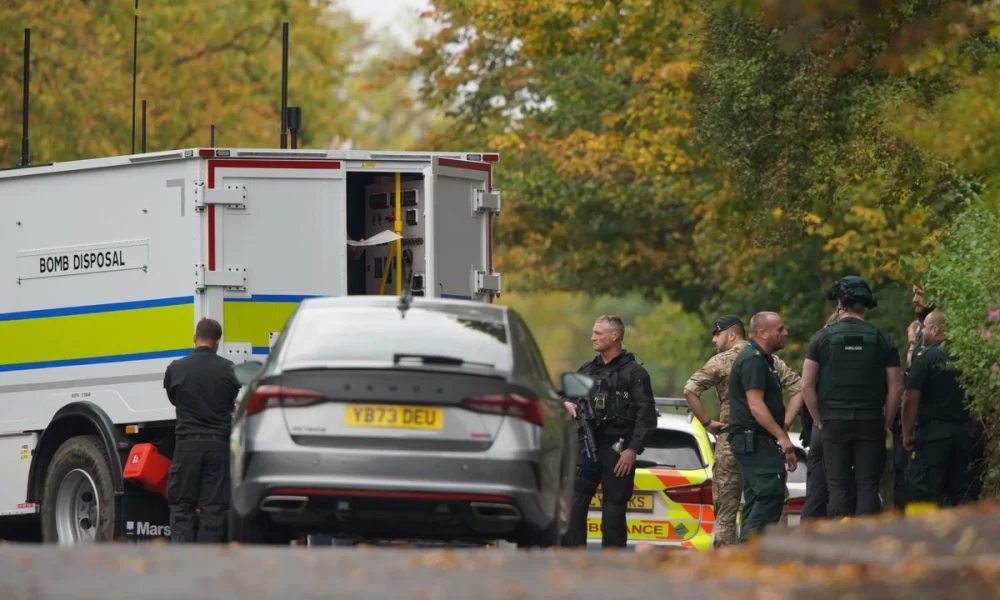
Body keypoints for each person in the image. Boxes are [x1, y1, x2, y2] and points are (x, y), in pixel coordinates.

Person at [683, 315, 802, 547]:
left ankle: (726, 562)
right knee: (770, 500)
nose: (714, 342)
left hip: (730, 439)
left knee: (727, 511)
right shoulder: (770, 361)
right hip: (764, 440)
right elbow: (799, 389)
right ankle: (772, 555)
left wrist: (708, 423)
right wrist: (783, 427)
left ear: (731, 334)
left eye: (716, 336)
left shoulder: (721, 361)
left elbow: (690, 390)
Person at [801, 276, 902, 518]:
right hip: (870, 421)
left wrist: (819, 421)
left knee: (837, 486)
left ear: (839, 303)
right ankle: (866, 542)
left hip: (833, 423)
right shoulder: (882, 339)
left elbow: (806, 386)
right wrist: (885, 422)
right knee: (868, 486)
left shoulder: (822, 338)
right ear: (865, 304)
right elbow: (896, 388)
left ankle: (840, 542)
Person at [563, 314, 658, 548]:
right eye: (593, 333)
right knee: (573, 504)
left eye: (599, 333)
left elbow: (646, 416)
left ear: (615, 336)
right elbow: (567, 398)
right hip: (586, 445)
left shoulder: (634, 373)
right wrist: (566, 404)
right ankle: (571, 559)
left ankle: (612, 563)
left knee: (614, 509)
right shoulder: (586, 370)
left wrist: (632, 450)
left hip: (618, 451)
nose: (592, 337)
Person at [163, 318, 242, 543]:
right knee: (213, 508)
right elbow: (231, 402)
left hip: (187, 445)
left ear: (194, 337)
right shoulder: (230, 370)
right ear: (218, 341)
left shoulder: (176, 368)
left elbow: (173, 399)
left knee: (181, 506)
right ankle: (206, 562)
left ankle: (182, 560)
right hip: (218, 446)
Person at [727, 312, 798, 542]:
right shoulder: (752, 360)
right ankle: (748, 551)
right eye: (780, 329)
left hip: (759, 440)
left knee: (758, 498)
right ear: (762, 333)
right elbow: (755, 405)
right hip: (753, 439)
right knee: (770, 495)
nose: (785, 333)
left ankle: (745, 554)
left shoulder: (763, 360)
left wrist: (780, 434)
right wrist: (783, 438)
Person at [902, 310, 977, 507]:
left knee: (925, 490)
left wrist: (907, 433)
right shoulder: (967, 356)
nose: (922, 332)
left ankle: (928, 535)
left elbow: (911, 397)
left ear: (935, 329)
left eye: (925, 327)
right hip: (964, 433)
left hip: (932, 434)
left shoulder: (925, 357)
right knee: (962, 490)